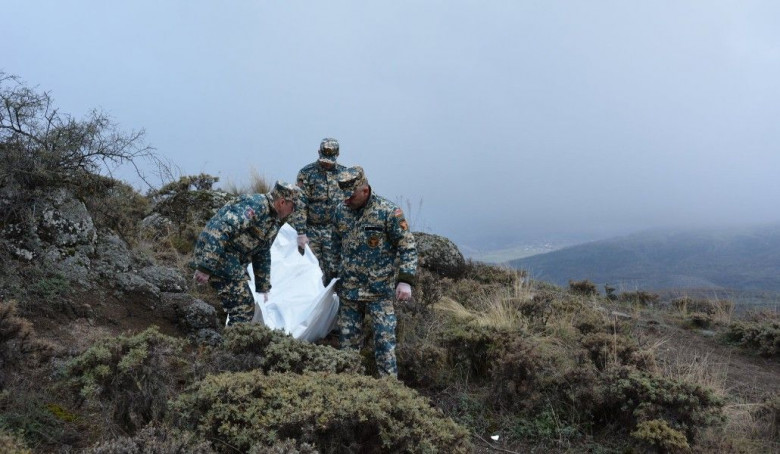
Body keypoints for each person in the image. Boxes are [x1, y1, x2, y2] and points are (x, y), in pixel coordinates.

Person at [331, 166, 418, 378]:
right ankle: (349, 389)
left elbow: (407, 246)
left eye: (351, 195)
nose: (346, 200)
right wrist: (332, 276)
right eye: (343, 195)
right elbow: (334, 245)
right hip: (349, 292)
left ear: (365, 190)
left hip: (379, 292)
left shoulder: (388, 212)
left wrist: (405, 280)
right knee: (347, 349)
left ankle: (389, 391)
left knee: (384, 346)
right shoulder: (341, 211)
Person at [192, 181, 300, 325]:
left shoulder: (272, 219)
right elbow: (221, 229)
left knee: (244, 305)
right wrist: (205, 267)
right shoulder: (256, 206)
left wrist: (263, 287)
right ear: (282, 202)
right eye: (292, 207)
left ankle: (233, 336)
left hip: (230, 258)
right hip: (218, 254)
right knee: (243, 307)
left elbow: (262, 252)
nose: (292, 212)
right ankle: (234, 339)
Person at [289, 138, 347, 284]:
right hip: (311, 230)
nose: (326, 164)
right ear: (318, 152)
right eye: (324, 160)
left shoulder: (344, 174)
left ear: (338, 155)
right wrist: (301, 232)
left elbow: (350, 204)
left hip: (334, 231)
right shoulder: (306, 173)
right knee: (312, 270)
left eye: (330, 161)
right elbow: (300, 204)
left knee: (335, 270)